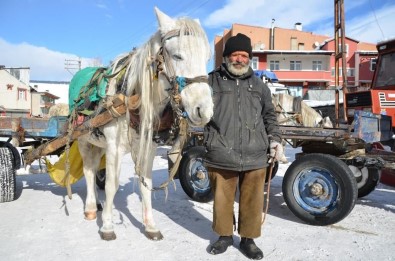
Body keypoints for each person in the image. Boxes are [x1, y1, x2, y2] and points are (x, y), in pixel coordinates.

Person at [204, 33, 284, 260]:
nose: (239, 59)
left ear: (249, 58)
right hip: (221, 149)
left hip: (255, 152)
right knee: (222, 199)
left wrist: (275, 139)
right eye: (235, 54)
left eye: (244, 55)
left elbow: (270, 115)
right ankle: (224, 236)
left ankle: (248, 240)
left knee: (252, 200)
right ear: (227, 56)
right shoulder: (211, 81)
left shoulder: (259, 85)